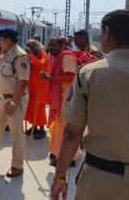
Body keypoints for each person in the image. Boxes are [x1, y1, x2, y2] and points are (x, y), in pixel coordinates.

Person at [51, 10, 129, 200]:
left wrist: (60, 176)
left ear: (107, 33)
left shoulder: (90, 73)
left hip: (101, 175)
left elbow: (73, 133)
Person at [0, 29, 30, 178]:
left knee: (16, 134)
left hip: (13, 100)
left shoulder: (20, 56)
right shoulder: (4, 53)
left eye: (0, 39)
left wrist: (13, 102)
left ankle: (17, 166)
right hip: (0, 99)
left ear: (8, 41)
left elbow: (23, 81)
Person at [41, 37, 79, 167]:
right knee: (57, 128)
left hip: (67, 99)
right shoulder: (55, 56)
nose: (50, 47)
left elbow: (71, 76)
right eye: (49, 44)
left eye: (53, 45)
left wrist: (50, 78)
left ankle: (70, 157)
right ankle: (57, 153)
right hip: (59, 98)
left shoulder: (67, 57)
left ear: (62, 45)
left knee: (65, 129)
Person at [24, 39, 49, 140]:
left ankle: (42, 129)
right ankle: (34, 127)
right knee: (31, 107)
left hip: (41, 86)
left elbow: (41, 65)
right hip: (31, 86)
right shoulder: (30, 56)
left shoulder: (44, 55)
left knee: (39, 107)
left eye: (31, 48)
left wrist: (31, 55)